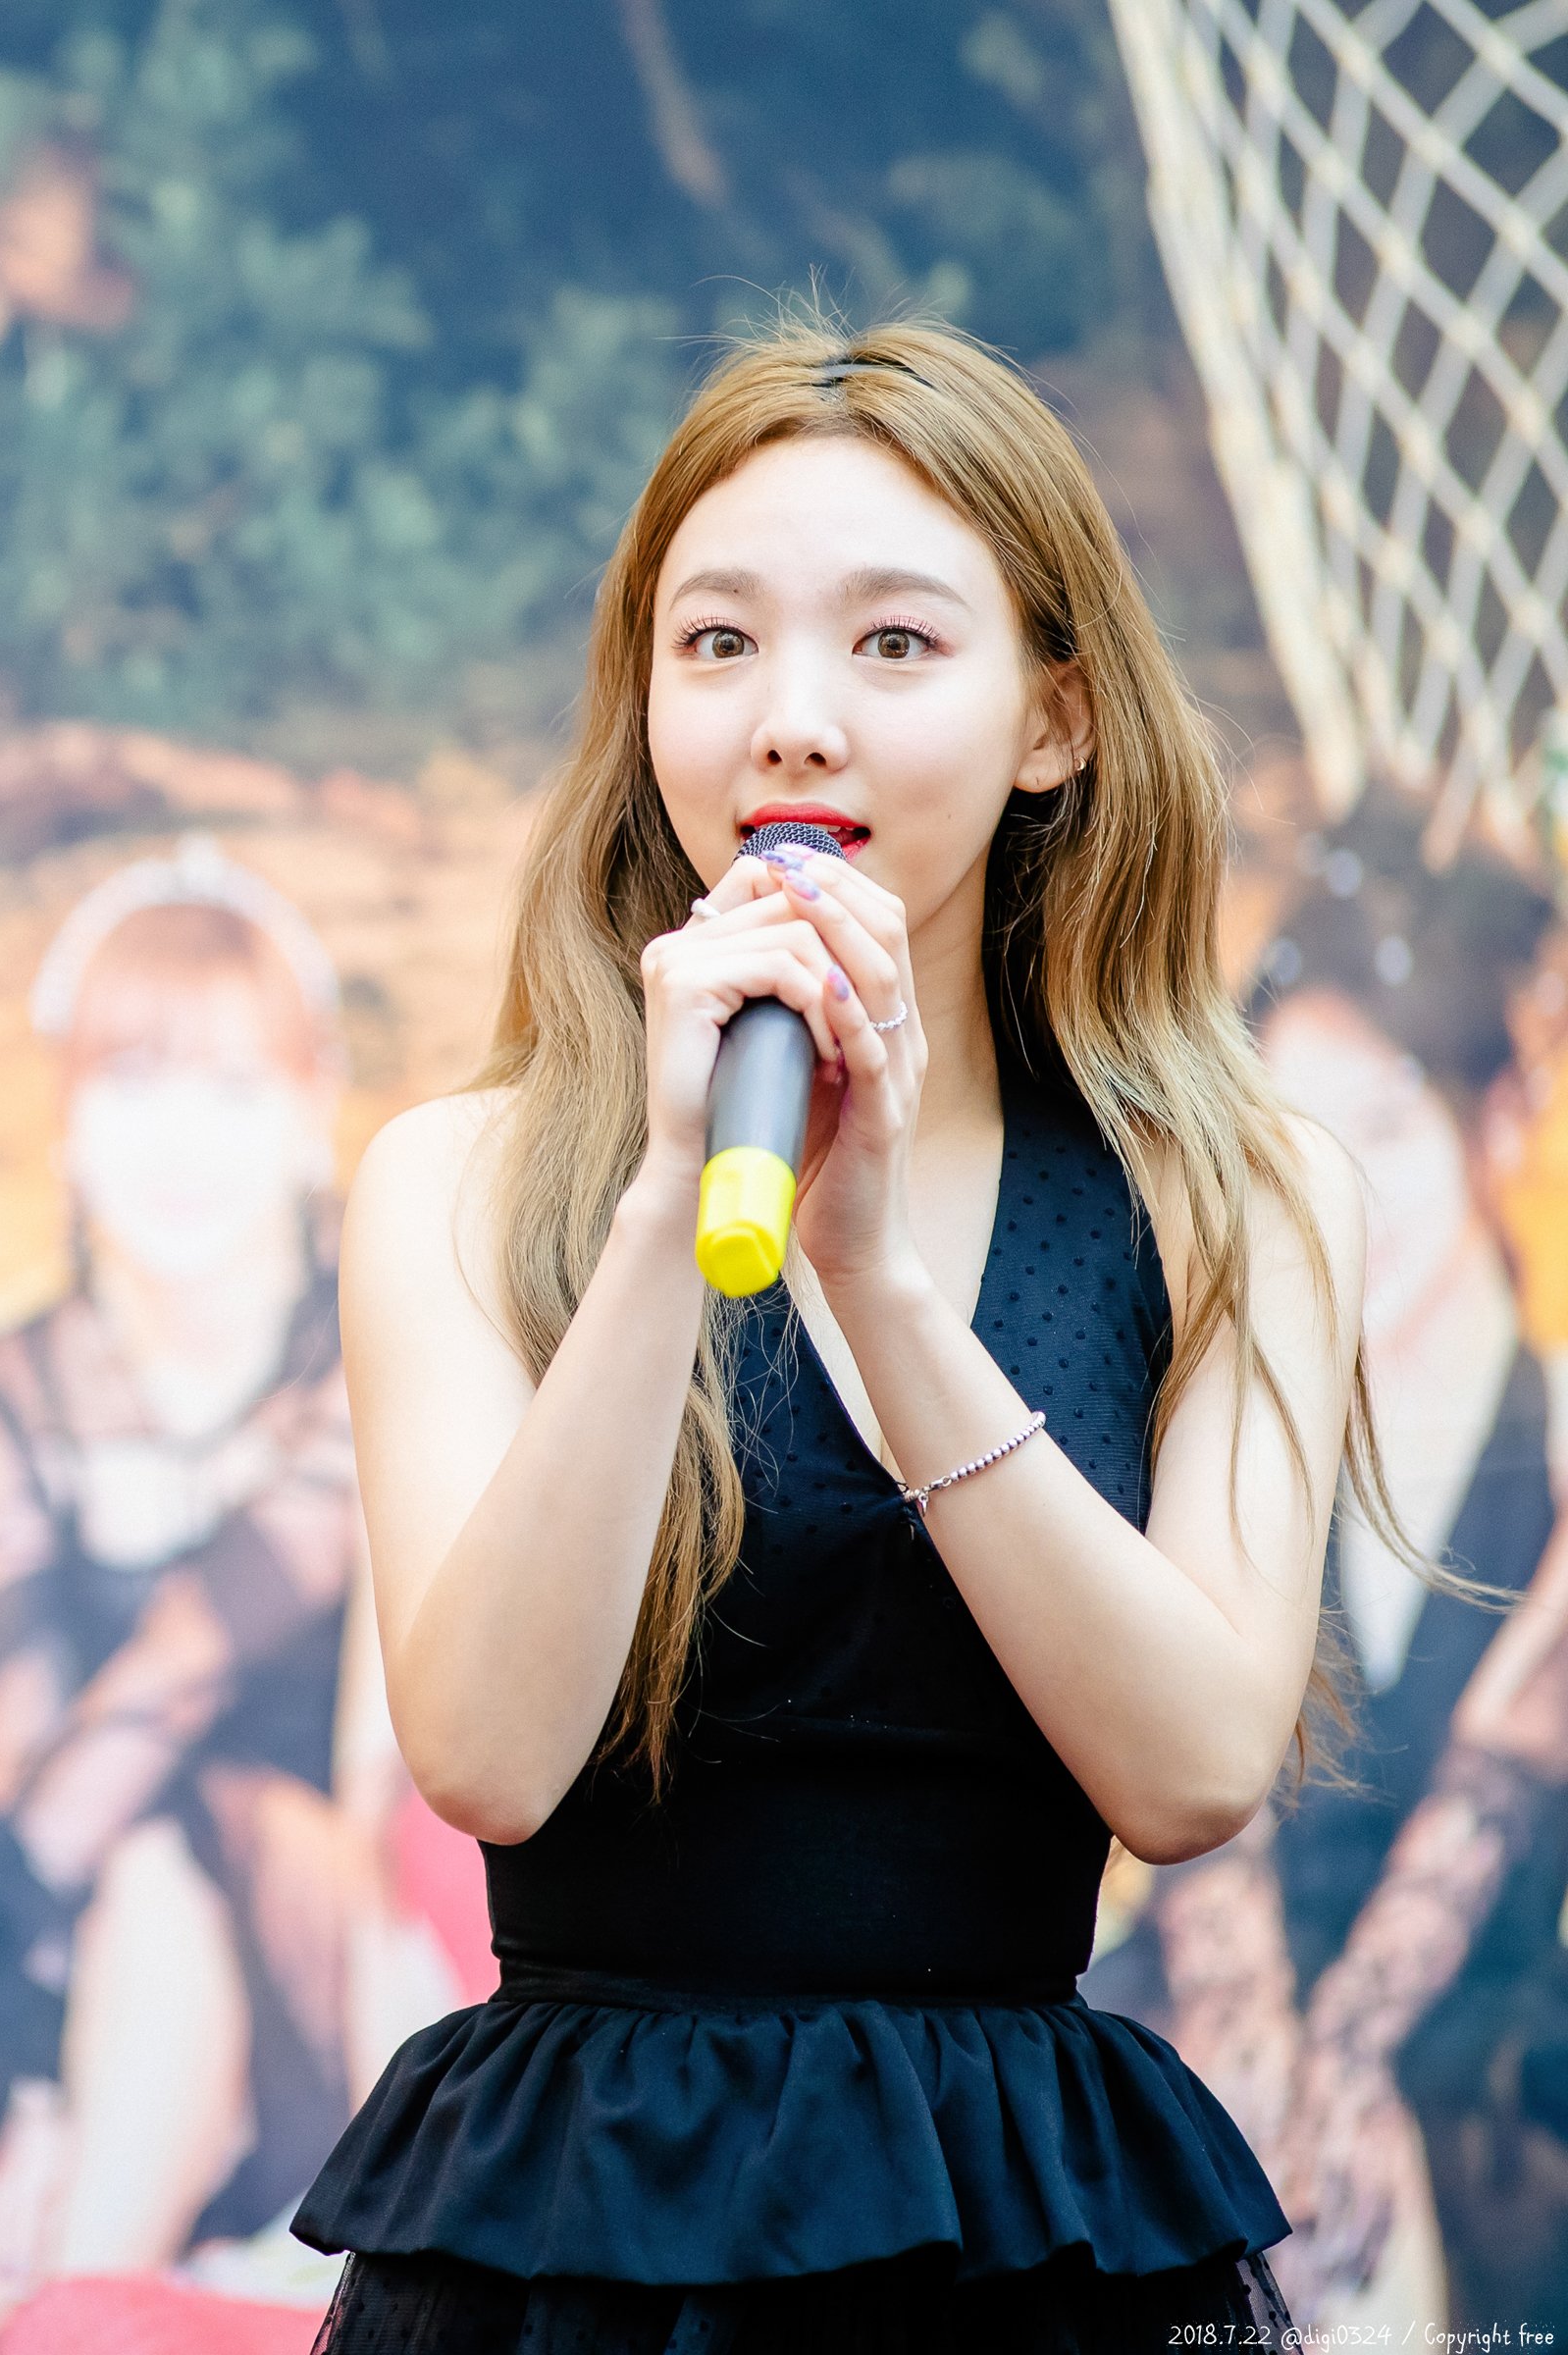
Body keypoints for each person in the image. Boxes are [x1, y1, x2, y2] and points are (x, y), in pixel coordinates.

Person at [290, 317, 1401, 2354]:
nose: (790, 725)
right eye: (716, 644)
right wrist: (663, 1210)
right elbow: (488, 1756)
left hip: (1010, 2212)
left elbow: (1189, 1770)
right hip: (576, 2217)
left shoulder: (1237, 1193)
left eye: (893, 644)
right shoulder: (457, 1182)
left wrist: (880, 1282)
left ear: (1054, 717)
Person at [1084, 799, 1568, 2329]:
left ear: (1498, 1119)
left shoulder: (1558, 1434)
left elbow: (1496, 1813)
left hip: (1480, 2049)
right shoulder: (1219, 1407)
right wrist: (1251, 2067)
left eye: (1388, 1129)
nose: (1338, 1191)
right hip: (1210, 2021)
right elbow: (1196, 1817)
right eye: (1295, 1134)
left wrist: (1344, 2076)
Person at [0, 833, 364, 2289]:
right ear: (69, 1124)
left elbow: (180, 1679)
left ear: (310, 1115)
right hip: (68, 1941)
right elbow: (20, 1719)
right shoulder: (21, 1393)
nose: (178, 1142)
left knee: (171, 1840)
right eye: (134, 1083)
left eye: (231, 1089)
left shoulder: (377, 1360)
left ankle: (73, 2296)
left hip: (332, 1934)